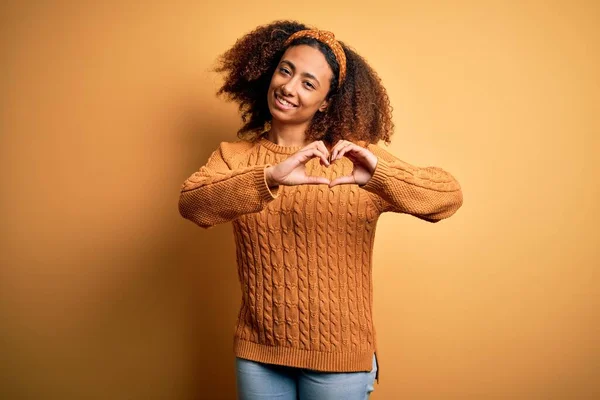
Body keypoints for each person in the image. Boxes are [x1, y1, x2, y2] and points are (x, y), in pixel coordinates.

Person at [178, 20, 463, 400]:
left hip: (340, 360)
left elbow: (447, 196)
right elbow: (193, 205)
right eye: (286, 71)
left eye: (308, 83)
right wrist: (269, 177)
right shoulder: (236, 158)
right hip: (259, 356)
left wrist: (380, 176)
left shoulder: (354, 159)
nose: (289, 88)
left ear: (326, 101)